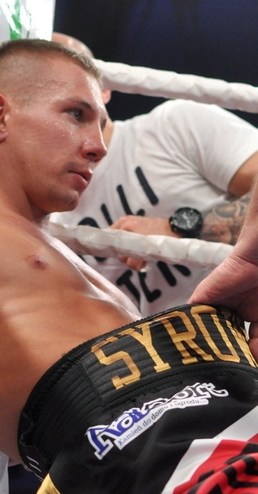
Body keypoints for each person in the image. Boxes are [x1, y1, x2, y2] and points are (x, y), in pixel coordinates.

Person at [0, 39, 258, 494]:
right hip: (157, 463)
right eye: (75, 114)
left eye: (100, 124)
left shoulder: (73, 262)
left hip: (227, 421)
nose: (98, 147)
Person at [50, 32, 258, 316]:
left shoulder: (174, 126)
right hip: (147, 343)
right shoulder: (46, 216)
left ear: (104, 89)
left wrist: (180, 228)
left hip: (244, 330)